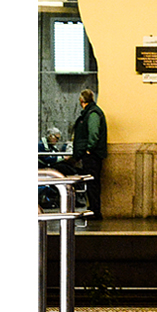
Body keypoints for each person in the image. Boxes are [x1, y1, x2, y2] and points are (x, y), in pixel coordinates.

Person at [68, 88, 108, 220]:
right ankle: (93, 209)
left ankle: (95, 211)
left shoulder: (92, 114)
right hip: (91, 154)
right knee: (91, 184)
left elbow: (93, 134)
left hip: (92, 156)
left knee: (92, 184)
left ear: (81, 100)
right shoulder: (92, 112)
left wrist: (88, 149)